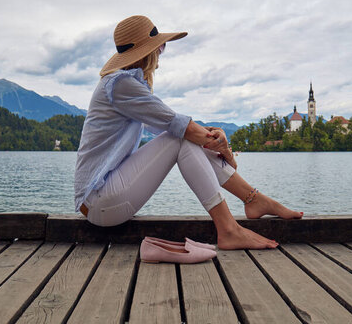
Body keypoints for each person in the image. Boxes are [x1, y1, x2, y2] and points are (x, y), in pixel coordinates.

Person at [74, 15, 302, 250]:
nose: (162, 51)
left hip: (105, 201)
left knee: (181, 137)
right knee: (179, 138)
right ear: (147, 51)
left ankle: (254, 200)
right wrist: (224, 149)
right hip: (100, 202)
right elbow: (179, 127)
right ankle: (230, 227)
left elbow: (173, 123)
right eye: (159, 46)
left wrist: (215, 135)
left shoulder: (124, 86)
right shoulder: (120, 85)